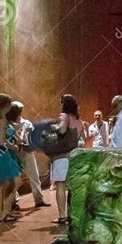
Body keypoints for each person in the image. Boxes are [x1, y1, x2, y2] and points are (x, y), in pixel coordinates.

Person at [8, 101, 51, 209]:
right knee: (13, 177)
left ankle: (39, 199)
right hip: (14, 151)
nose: (20, 112)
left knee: (34, 175)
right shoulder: (8, 124)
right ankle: (14, 202)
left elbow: (34, 135)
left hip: (27, 150)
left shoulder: (26, 122)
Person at [50, 94, 85, 225]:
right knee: (71, 187)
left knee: (60, 185)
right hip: (74, 155)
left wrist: (54, 127)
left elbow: (62, 130)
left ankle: (62, 216)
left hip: (62, 155)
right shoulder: (78, 119)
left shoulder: (63, 116)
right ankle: (72, 214)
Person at [0, 94, 22, 223]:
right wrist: (14, 146)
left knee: (5, 184)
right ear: (7, 106)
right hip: (1, 153)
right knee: (1, 185)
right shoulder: (1, 121)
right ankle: (0, 214)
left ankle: (3, 212)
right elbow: (2, 143)